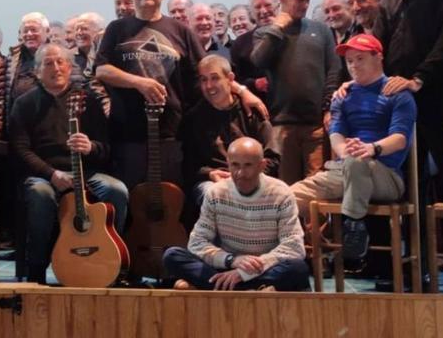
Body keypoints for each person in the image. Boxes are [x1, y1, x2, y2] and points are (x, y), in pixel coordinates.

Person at [95, 0, 264, 189]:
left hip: (171, 133)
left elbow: (208, 70)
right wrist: (139, 82)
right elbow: (101, 70)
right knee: (133, 210)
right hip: (128, 134)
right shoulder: (117, 29)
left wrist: (242, 91)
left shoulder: (180, 30)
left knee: (170, 203)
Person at [291, 34, 416, 259]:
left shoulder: (397, 92)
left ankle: (354, 227)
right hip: (345, 168)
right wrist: (345, 151)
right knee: (287, 196)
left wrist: (371, 148)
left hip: (385, 174)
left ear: (378, 58)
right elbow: (336, 134)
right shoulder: (343, 96)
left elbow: (400, 139)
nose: (354, 65)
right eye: (349, 61)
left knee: (357, 162)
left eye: (360, 58)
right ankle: (280, 253)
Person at [11, 43, 127, 284]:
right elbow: (20, 150)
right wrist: (51, 173)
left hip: (86, 172)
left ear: (69, 66)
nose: (56, 68)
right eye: (48, 63)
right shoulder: (24, 104)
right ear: (37, 71)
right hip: (44, 175)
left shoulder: (88, 100)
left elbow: (106, 148)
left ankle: (111, 260)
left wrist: (91, 147)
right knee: (40, 194)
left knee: (116, 190)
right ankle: (37, 271)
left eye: (60, 62)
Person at [373, 0, 443, 210]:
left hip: (436, 100)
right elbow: (377, 47)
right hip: (396, 100)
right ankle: (411, 249)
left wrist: (418, 79)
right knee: (405, 181)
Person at [163, 137, 308, 291]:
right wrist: (232, 260)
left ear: (262, 165)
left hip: (263, 269)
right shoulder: (216, 193)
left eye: (248, 165)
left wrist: (244, 272)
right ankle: (249, 290)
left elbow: (294, 247)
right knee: (172, 256)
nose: (240, 173)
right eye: (235, 165)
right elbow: (197, 243)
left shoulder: (281, 193)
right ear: (228, 163)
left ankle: (226, 288)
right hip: (227, 266)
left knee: (297, 268)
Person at [251, 0, 340, 184]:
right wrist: (277, 28)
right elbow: (258, 60)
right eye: (300, 0)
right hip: (282, 126)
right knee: (286, 188)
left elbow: (333, 69)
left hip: (315, 124)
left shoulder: (321, 30)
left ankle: (314, 220)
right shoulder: (265, 33)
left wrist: (328, 107)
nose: (306, 5)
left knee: (316, 187)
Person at [182, 55, 279, 205]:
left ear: (230, 78)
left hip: (254, 178)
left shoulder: (252, 112)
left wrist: (247, 178)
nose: (209, 86)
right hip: (214, 182)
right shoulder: (193, 119)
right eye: (203, 79)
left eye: (215, 78)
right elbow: (189, 166)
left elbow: (272, 157)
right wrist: (210, 173)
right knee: (213, 194)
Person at [230, 0, 278, 104]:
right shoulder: (240, 43)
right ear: (251, 13)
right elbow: (233, 80)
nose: (263, 11)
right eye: (257, 7)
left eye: (267, 5)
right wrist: (254, 84)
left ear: (278, 6)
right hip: (257, 111)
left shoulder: (292, 36)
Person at [5, 12, 50, 117]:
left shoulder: (59, 55)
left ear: (47, 31)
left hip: (48, 118)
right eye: (25, 31)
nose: (29, 34)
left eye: (34, 30)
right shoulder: (13, 57)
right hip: (18, 119)